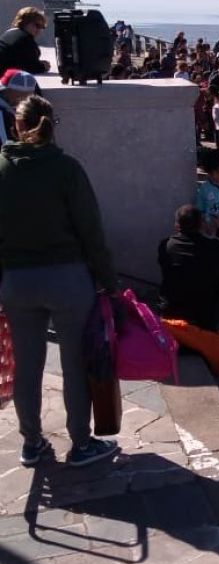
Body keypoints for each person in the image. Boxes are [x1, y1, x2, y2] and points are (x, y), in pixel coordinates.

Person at [0, 95, 118, 467]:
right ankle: (81, 443)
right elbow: (91, 230)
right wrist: (108, 281)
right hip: (68, 280)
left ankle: (31, 442)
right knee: (75, 363)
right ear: (51, 124)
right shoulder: (67, 168)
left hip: (17, 281)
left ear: (16, 126)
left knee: (27, 364)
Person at [158, 205, 219, 332]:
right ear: (202, 225)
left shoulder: (166, 246)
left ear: (177, 225)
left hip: (172, 311)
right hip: (206, 317)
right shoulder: (216, 249)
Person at [0, 7, 50, 76]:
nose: (39, 30)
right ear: (25, 22)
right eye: (37, 25)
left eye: (42, 27)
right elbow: (32, 68)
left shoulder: (8, 33)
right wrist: (43, 66)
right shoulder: (26, 39)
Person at [0, 68, 37, 145]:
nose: (24, 100)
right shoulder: (2, 114)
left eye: (28, 95)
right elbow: (6, 146)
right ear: (6, 91)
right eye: (20, 96)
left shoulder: (13, 109)